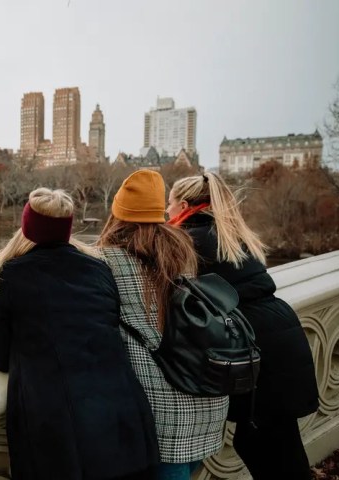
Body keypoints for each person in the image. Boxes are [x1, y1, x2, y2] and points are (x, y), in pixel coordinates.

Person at [0, 187, 159, 480]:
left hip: (60, 432)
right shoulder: (99, 269)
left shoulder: (9, 274)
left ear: (26, 227)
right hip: (123, 417)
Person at [167, 172, 318, 480]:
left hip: (254, 347)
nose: (165, 212)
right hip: (280, 332)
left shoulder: (185, 240)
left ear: (183, 204)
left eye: (168, 205)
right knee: (280, 445)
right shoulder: (230, 232)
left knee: (266, 448)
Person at [97, 170, 229, 480]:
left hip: (158, 410)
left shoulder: (104, 261)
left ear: (117, 214)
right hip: (204, 394)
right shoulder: (183, 251)